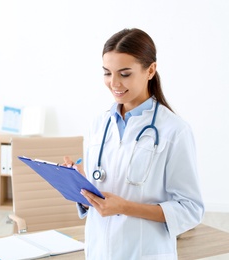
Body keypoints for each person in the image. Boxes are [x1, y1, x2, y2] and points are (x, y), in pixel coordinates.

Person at [64, 28, 204, 259]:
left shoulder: (174, 131)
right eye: (107, 73)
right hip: (99, 250)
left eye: (125, 73)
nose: (114, 83)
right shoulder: (99, 124)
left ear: (150, 70)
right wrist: (79, 182)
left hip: (143, 251)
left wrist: (124, 208)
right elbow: (103, 188)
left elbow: (191, 210)